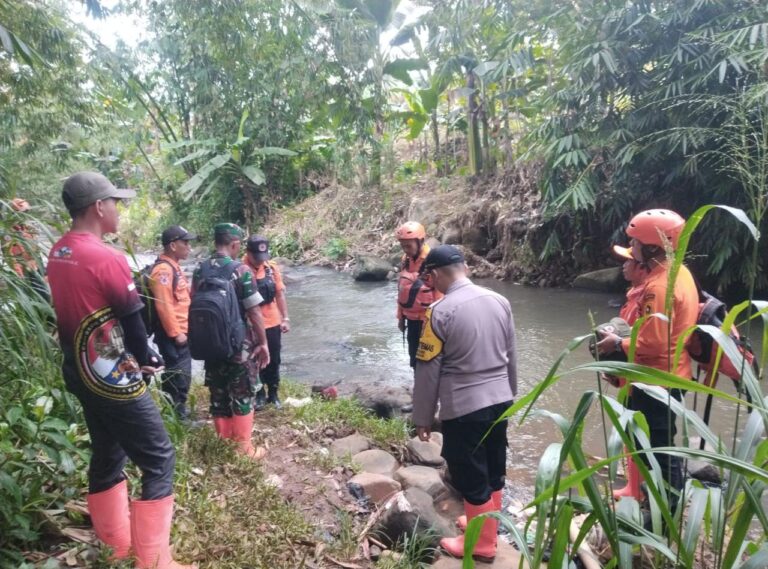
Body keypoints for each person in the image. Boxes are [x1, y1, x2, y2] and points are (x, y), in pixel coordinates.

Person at [46, 172, 194, 569]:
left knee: (108, 451)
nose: (118, 210)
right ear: (98, 207)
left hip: (78, 371)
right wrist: (148, 359)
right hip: (112, 376)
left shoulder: (59, 251)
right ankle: (155, 562)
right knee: (159, 457)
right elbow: (133, 322)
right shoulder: (106, 257)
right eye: (115, 202)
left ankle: (116, 548)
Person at [412, 245, 517, 562]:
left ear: (433, 275)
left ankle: (482, 545)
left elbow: (428, 371)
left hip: (465, 407)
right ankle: (484, 527)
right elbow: (511, 355)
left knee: (470, 474)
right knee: (494, 468)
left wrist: (423, 417)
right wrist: (510, 395)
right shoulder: (500, 300)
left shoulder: (439, 312)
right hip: (501, 400)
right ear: (465, 269)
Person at [596, 209, 697, 512]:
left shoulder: (659, 287)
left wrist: (617, 343)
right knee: (651, 443)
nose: (632, 248)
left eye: (636, 242)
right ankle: (651, 500)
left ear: (652, 247)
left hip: (655, 380)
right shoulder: (679, 272)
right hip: (670, 374)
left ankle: (665, 513)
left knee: (659, 450)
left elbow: (652, 341)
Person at [192, 223, 270, 459]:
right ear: (235, 244)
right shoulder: (241, 270)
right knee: (243, 392)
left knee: (218, 393)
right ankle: (244, 449)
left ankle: (224, 443)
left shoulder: (200, 269)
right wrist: (263, 343)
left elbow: (194, 303)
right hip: (238, 346)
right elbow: (254, 312)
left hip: (210, 343)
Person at [148, 225, 197, 420]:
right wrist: (176, 333)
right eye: (185, 242)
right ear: (173, 245)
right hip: (173, 335)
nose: (189, 247)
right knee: (178, 374)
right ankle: (176, 416)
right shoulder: (163, 271)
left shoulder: (173, 267)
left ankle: (177, 411)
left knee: (181, 372)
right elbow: (163, 305)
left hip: (181, 332)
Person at [243, 235, 290, 410]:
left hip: (272, 322)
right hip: (250, 325)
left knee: (274, 359)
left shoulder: (271, 268)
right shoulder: (240, 269)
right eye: (256, 257)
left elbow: (279, 294)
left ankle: (273, 393)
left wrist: (285, 318)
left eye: (263, 257)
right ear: (248, 253)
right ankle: (259, 393)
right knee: (254, 360)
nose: (260, 261)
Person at [395, 221, 441, 368]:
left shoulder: (432, 260)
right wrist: (400, 318)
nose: (405, 250)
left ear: (420, 241)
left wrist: (434, 322)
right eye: (403, 246)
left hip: (428, 320)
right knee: (414, 358)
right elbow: (403, 289)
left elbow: (440, 293)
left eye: (408, 246)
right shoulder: (406, 260)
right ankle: (418, 380)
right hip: (411, 319)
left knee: (430, 359)